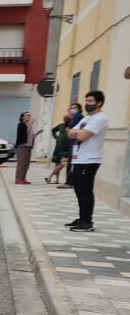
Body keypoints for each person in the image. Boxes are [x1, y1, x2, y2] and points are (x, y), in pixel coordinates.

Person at [65, 91, 108, 232]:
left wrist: (76, 133)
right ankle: (81, 217)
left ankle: (87, 221)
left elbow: (81, 136)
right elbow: (70, 133)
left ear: (99, 103)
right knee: (78, 189)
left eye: (90, 101)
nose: (87, 103)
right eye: (87, 100)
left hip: (90, 160)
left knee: (85, 191)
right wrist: (74, 132)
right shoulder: (87, 118)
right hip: (79, 159)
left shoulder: (100, 118)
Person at [58, 102, 84, 189]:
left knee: (72, 164)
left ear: (79, 109)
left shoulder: (78, 117)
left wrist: (68, 124)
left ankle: (70, 182)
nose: (73, 110)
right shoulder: (74, 117)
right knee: (70, 163)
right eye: (71, 108)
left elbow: (71, 129)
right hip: (71, 143)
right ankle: (69, 181)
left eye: (75, 108)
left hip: (75, 144)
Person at [45, 111, 72, 184]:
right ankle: (57, 180)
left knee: (63, 163)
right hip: (58, 147)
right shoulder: (61, 125)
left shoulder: (72, 126)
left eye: (67, 118)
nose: (65, 119)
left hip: (67, 148)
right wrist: (56, 137)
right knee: (57, 163)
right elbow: (53, 130)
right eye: (64, 117)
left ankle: (49, 176)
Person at [14, 111, 36, 184]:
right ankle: (18, 179)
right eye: (27, 115)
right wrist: (31, 124)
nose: (28, 117)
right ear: (22, 117)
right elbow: (24, 133)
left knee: (26, 163)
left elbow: (30, 134)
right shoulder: (21, 124)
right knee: (21, 163)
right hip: (22, 145)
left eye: (29, 115)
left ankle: (23, 178)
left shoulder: (29, 125)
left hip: (29, 146)